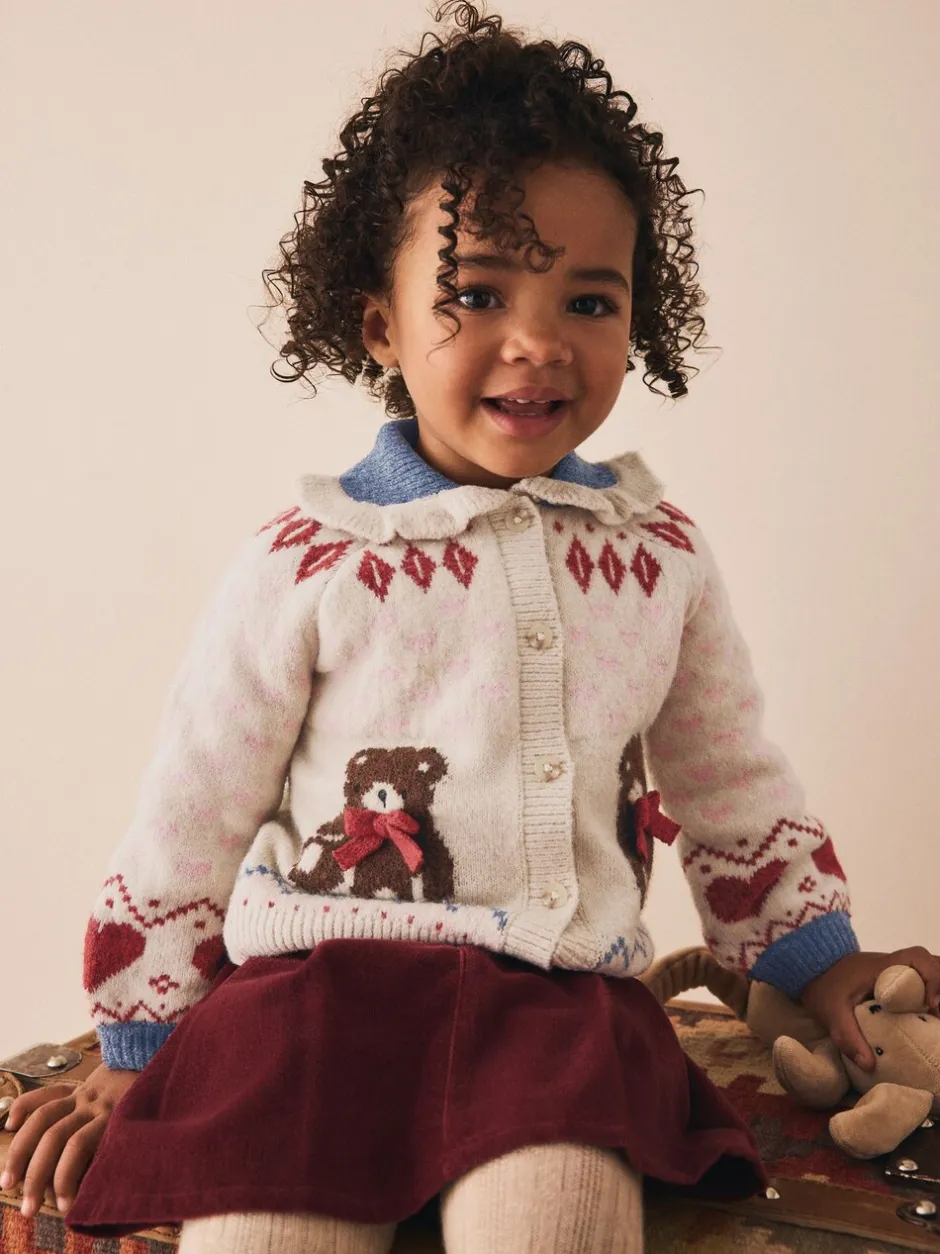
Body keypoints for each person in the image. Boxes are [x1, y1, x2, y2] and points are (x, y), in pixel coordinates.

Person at [3, 3, 938, 1251]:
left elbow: (728, 781)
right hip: (306, 1011)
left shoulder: (657, 556)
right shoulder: (308, 562)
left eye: (590, 301)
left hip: (552, 1018)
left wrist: (820, 961)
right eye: (478, 292)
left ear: (638, 322)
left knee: (555, 1230)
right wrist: (138, 1045)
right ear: (379, 325)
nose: (537, 342)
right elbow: (193, 809)